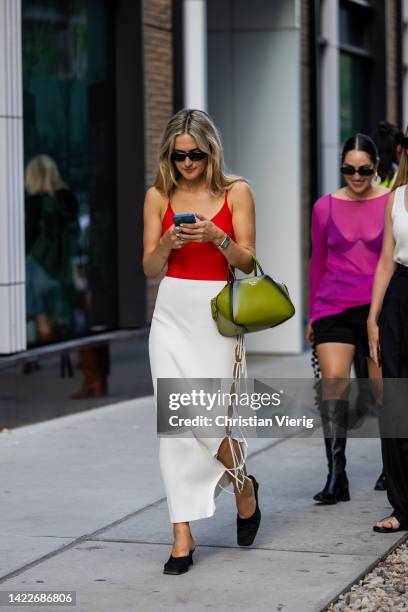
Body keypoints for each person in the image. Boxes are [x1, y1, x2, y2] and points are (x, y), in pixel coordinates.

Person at [143, 109, 261, 575]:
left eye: (195, 155)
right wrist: (168, 244)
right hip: (171, 313)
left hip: (216, 314)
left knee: (210, 419)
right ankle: (181, 535)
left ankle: (243, 485)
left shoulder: (237, 191)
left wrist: (216, 237)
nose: (187, 163)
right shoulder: (158, 195)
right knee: (174, 423)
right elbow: (149, 267)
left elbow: (249, 261)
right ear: (168, 155)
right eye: (178, 156)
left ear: (211, 151)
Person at [307, 134, 388, 505]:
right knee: (334, 384)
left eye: (364, 170)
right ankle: (335, 473)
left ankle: (394, 467)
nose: (356, 177)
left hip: (378, 308)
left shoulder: (391, 202)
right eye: (349, 169)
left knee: (382, 389)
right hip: (334, 306)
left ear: (376, 167)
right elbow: (317, 263)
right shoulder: (324, 207)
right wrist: (312, 313)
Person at [367, 127, 408, 533]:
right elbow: (385, 262)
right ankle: (402, 504)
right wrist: (372, 318)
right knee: (395, 403)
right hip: (398, 299)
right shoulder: (396, 197)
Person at [25, 155, 80, 343]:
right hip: (64, 269)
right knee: (62, 316)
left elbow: (28, 237)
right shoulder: (68, 198)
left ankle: (43, 355)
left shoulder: (34, 202)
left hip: (39, 268)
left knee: (41, 316)